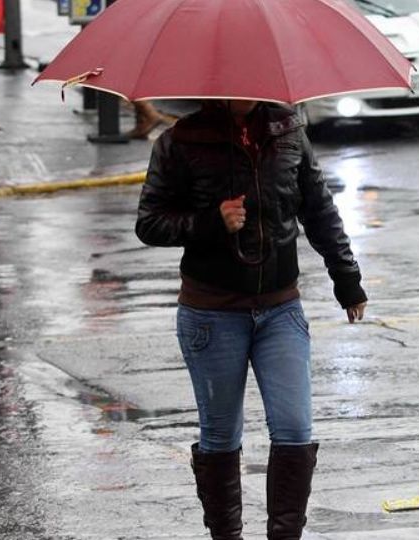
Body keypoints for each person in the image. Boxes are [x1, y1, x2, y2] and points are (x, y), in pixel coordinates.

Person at [135, 99, 367, 540]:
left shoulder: (288, 132)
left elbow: (319, 210)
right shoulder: (181, 141)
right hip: (211, 312)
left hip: (280, 308)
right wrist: (210, 221)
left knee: (295, 428)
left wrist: (347, 278)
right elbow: (149, 223)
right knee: (221, 436)